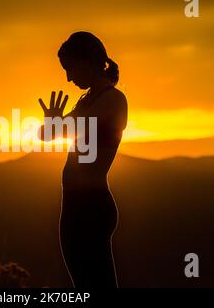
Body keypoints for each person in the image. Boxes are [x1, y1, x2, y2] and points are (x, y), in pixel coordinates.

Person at [38, 31, 128, 287]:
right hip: (75, 205)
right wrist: (52, 121)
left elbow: (72, 128)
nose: (68, 78)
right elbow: (45, 134)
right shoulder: (87, 101)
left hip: (92, 206)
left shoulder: (113, 99)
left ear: (87, 62)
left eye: (70, 68)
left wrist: (58, 123)